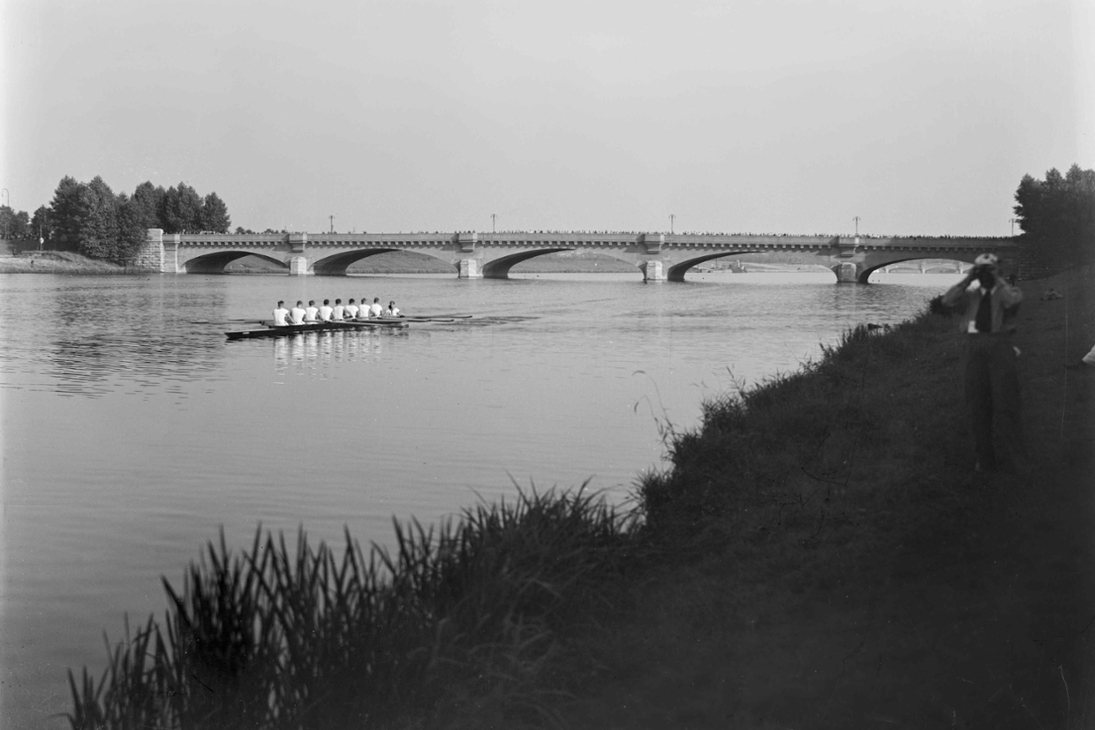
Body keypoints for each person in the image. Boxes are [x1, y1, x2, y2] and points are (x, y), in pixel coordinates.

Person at [941, 253, 1024, 473]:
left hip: (999, 344)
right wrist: (968, 279)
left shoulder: (1007, 292)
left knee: (1006, 402)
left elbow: (1013, 301)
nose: (986, 275)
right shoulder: (970, 296)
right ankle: (984, 459)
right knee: (976, 404)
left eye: (991, 270)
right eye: (982, 271)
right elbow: (947, 301)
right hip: (973, 346)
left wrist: (998, 279)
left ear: (998, 271)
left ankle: (1015, 458)